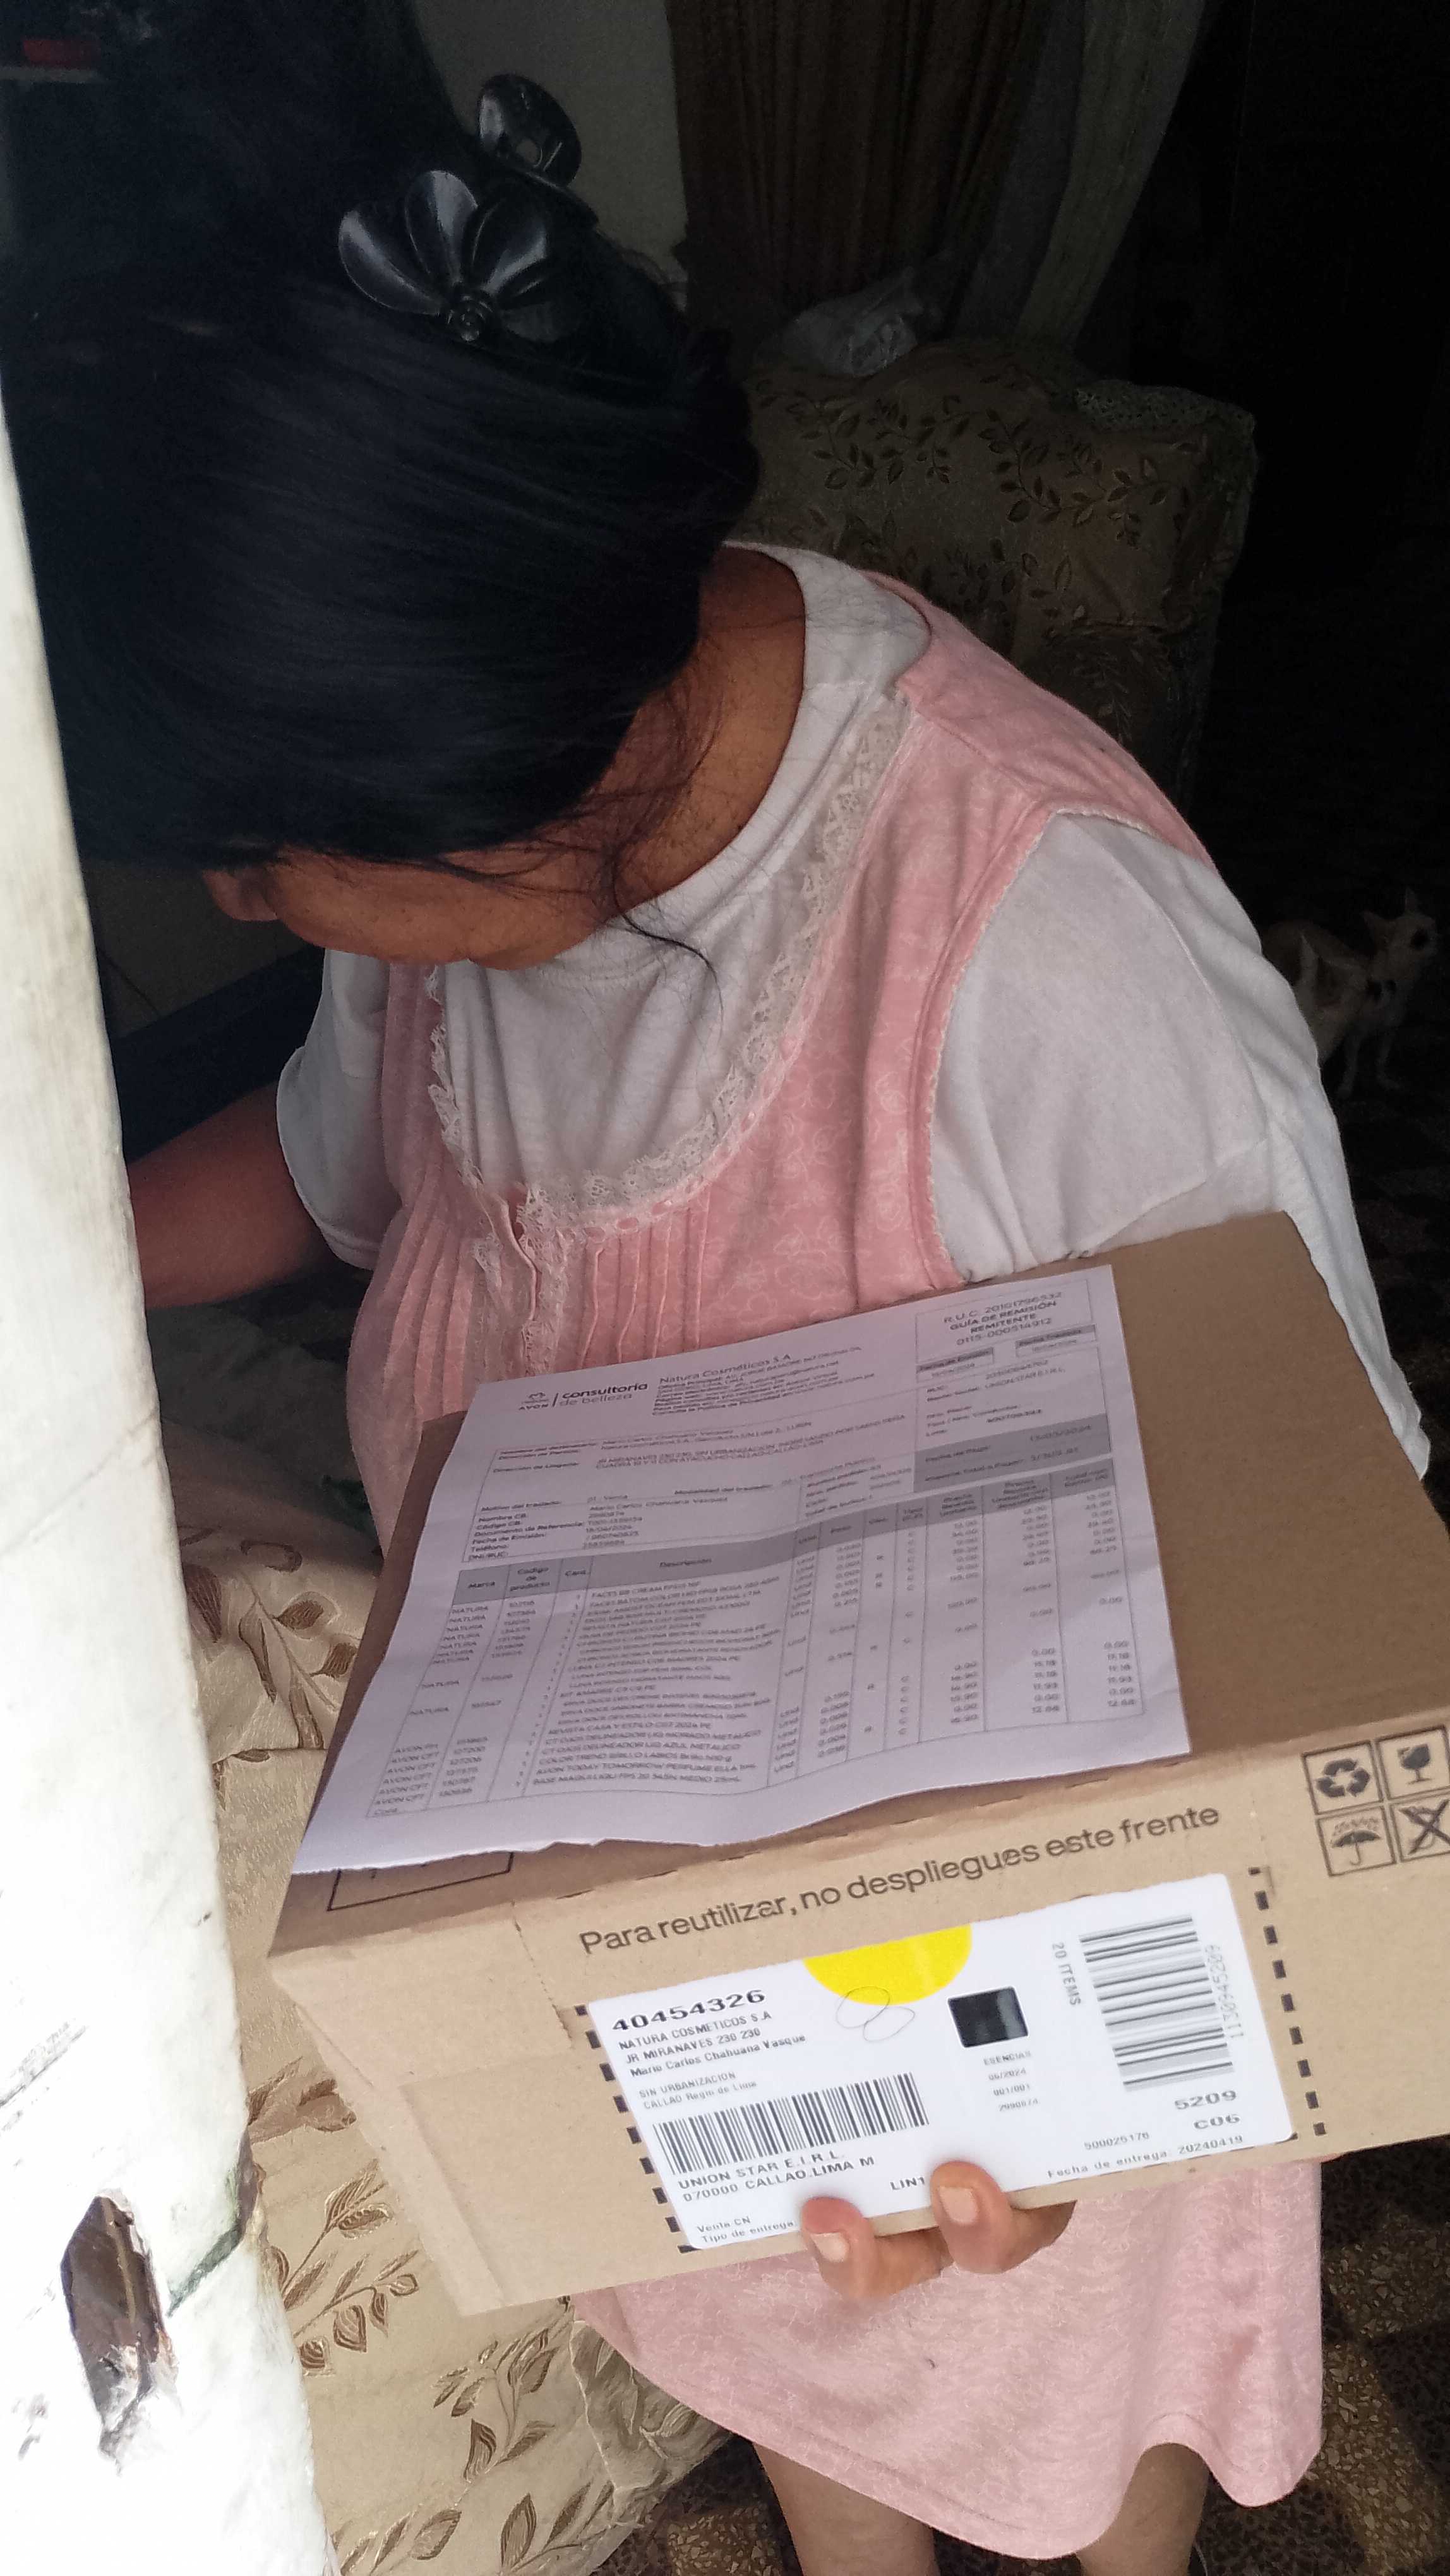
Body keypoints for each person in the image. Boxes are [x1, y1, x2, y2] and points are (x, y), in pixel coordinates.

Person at [6, 25, 1423, 2573]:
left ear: (492, 752)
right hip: (654, 1905)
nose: (236, 901)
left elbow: (1300, 1577)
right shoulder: (466, 882)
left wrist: (1078, 2069)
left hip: (1010, 1961)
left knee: (1039, 2389)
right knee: (782, 2335)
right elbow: (330, 1168)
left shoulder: (1039, 948)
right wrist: (44, 1254)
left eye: (257, 850)